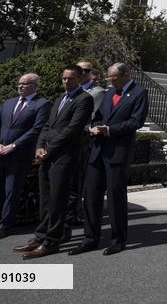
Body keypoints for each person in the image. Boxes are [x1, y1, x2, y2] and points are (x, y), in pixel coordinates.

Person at [15, 65, 94, 259]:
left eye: (71, 79)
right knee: (46, 200)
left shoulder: (84, 99)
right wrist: (40, 147)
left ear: (80, 79)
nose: (66, 82)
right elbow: (47, 126)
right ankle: (41, 235)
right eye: (64, 79)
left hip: (64, 157)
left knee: (58, 200)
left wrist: (49, 149)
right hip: (48, 156)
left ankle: (52, 241)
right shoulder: (59, 99)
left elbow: (72, 130)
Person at [70, 62, 148, 256]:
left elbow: (136, 122)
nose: (112, 81)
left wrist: (110, 130)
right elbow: (98, 117)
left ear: (126, 75)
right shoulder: (107, 93)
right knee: (91, 196)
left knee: (115, 198)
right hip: (97, 150)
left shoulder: (139, 93)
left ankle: (118, 240)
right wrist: (93, 127)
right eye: (110, 78)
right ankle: (90, 238)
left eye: (115, 77)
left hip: (117, 152)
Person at [0, 73, 50, 241]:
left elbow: (36, 129)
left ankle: (4, 226)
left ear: (35, 85)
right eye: (19, 83)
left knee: (11, 192)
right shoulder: (8, 103)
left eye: (25, 83)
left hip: (19, 155)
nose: (20, 86)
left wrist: (13, 146)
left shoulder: (42, 104)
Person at [64, 61, 104, 231]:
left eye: (85, 70)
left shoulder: (98, 92)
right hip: (67, 141)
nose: (81, 72)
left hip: (84, 141)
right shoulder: (70, 92)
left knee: (77, 183)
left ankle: (71, 218)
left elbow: (93, 116)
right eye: (78, 69)